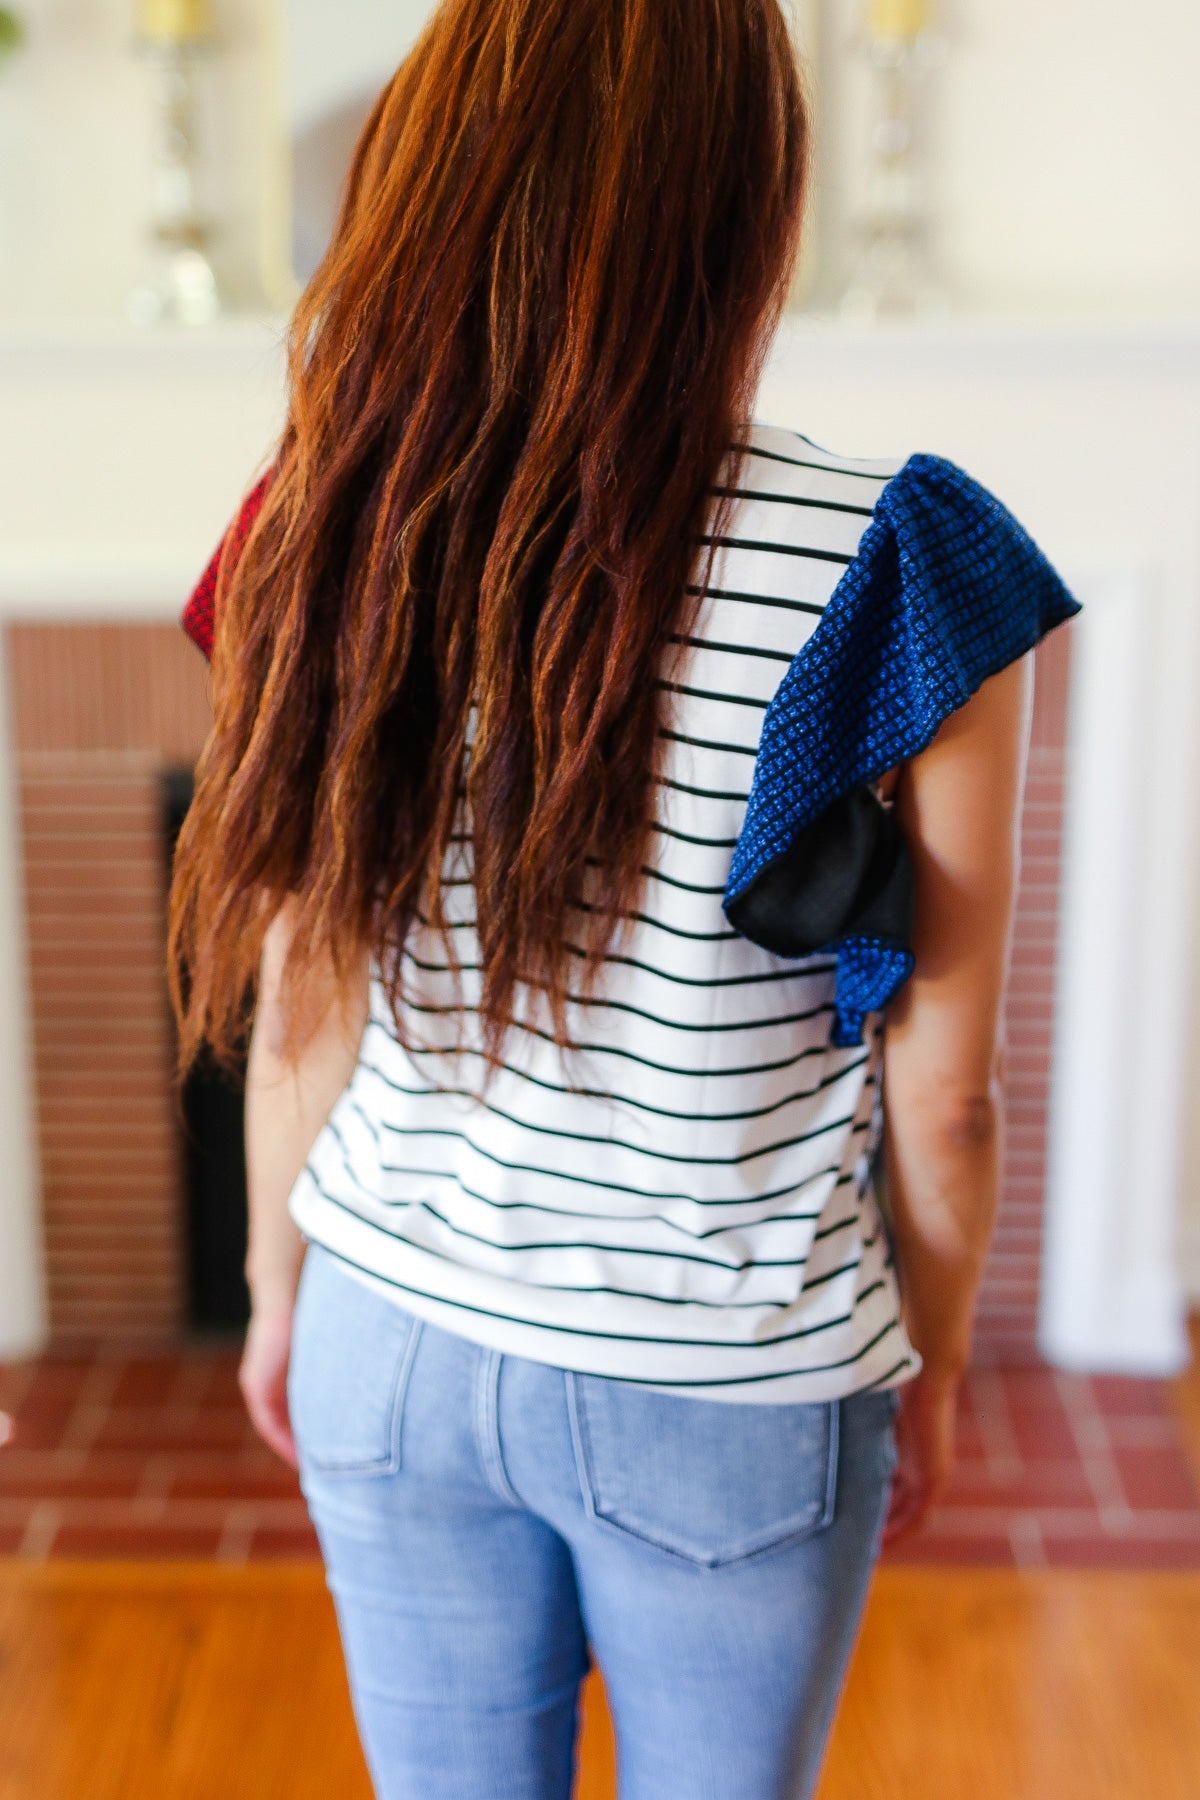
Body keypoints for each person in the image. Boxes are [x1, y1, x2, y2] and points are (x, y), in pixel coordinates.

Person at [168, 3, 1077, 1796]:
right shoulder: (903, 568)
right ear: (751, 200)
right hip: (735, 1388)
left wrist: (280, 1292)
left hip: (389, 1331)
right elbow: (947, 1095)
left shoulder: (337, 520)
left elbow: (304, 993)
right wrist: (943, 1367)